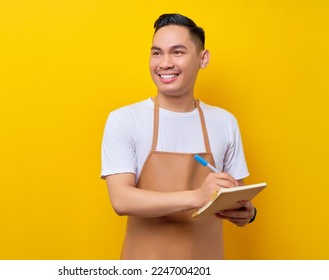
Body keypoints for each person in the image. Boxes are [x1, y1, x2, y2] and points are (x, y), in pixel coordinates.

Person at [101, 13, 256, 260]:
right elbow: (121, 199)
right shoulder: (124, 120)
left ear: (202, 58)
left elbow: (237, 192)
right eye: (157, 53)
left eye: (177, 52)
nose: (164, 63)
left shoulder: (225, 122)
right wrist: (197, 196)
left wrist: (245, 212)